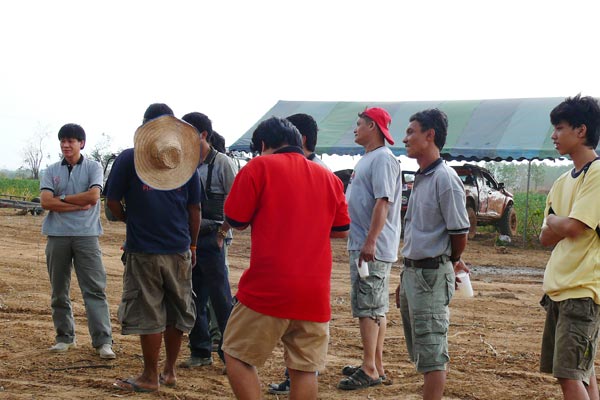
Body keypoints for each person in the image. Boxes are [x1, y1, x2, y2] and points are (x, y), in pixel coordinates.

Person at [222, 117, 350, 400]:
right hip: (314, 292)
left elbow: (236, 220)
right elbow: (342, 229)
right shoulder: (329, 178)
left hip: (269, 288)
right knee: (304, 370)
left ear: (263, 144)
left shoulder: (259, 167)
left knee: (237, 355)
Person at [106, 104, 201, 393]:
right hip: (179, 249)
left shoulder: (129, 158)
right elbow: (195, 209)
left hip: (143, 249)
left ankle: (150, 376)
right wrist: (193, 244)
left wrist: (129, 218)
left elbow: (112, 202)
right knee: (176, 311)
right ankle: (169, 371)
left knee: (149, 312)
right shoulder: (185, 160)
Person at [397, 108, 470, 400]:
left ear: (430, 135)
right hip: (414, 272)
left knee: (432, 352)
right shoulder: (423, 177)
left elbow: (459, 233)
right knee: (422, 347)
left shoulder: (445, 178)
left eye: (411, 132)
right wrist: (406, 277)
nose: (405, 139)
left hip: (430, 274)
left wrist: (450, 261)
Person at [538, 95, 600, 400]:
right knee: (582, 373)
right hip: (559, 290)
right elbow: (544, 237)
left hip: (582, 290)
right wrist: (562, 223)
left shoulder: (597, 173)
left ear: (581, 130)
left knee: (569, 375)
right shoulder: (563, 181)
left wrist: (556, 221)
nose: (554, 135)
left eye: (559, 128)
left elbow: (575, 227)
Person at [337, 107, 402, 390]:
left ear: (373, 126)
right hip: (364, 244)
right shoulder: (369, 158)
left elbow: (382, 201)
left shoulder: (383, 159)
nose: (355, 129)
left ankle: (369, 369)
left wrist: (371, 240)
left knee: (369, 306)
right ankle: (375, 363)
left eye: (359, 124)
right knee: (374, 304)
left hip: (371, 247)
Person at [40, 123, 115, 359]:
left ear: (81, 143)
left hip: (87, 236)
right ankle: (64, 337)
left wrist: (60, 199)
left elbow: (93, 196)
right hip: (57, 236)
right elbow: (45, 202)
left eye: (71, 141)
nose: (66, 145)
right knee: (59, 291)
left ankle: (103, 341)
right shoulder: (51, 170)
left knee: (94, 290)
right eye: (63, 141)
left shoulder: (93, 167)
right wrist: (73, 203)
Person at [267, 112, 328, 395]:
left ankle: (295, 378)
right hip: (310, 273)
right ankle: (293, 378)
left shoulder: (316, 170)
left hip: (297, 267)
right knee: (301, 343)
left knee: (298, 340)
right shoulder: (317, 170)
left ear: (299, 138)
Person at [179, 112, 236, 368]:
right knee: (193, 297)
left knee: (221, 299)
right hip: (190, 239)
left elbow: (237, 202)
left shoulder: (222, 163)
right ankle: (200, 351)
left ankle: (230, 357)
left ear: (203, 134)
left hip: (213, 239)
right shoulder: (184, 163)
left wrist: (222, 234)